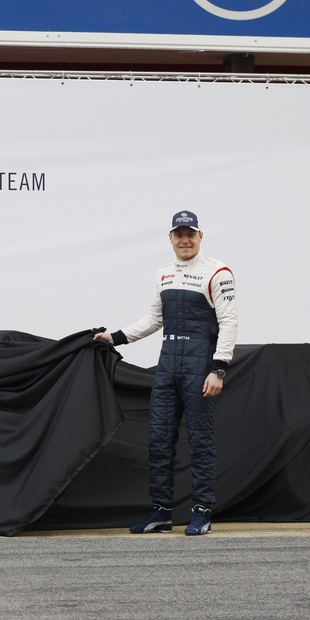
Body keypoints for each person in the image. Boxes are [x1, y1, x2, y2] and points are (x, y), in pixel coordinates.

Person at [95, 210, 237, 536]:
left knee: (200, 441)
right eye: (179, 234)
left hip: (200, 364)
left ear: (200, 236)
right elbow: (153, 319)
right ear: (171, 238)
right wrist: (115, 337)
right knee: (159, 440)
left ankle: (202, 511)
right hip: (168, 363)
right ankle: (161, 512)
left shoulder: (218, 272)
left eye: (190, 234)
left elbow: (229, 322)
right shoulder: (164, 274)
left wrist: (219, 368)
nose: (185, 240)